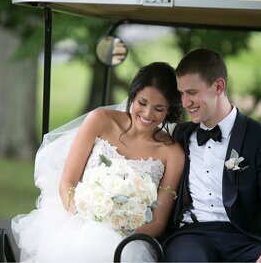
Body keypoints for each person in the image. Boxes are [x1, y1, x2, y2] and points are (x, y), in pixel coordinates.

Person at [12, 62, 185, 262]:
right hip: (76, 221)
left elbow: (158, 222)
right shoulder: (100, 120)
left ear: (169, 110)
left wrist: (119, 232)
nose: (147, 114)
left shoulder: (173, 154)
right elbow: (68, 181)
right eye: (142, 103)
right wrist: (82, 218)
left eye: (158, 108)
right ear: (132, 95)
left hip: (129, 239)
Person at [163, 48, 261, 262]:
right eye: (182, 94)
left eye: (192, 92)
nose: (185, 102)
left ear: (218, 86)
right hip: (192, 236)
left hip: (246, 237)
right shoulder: (180, 135)